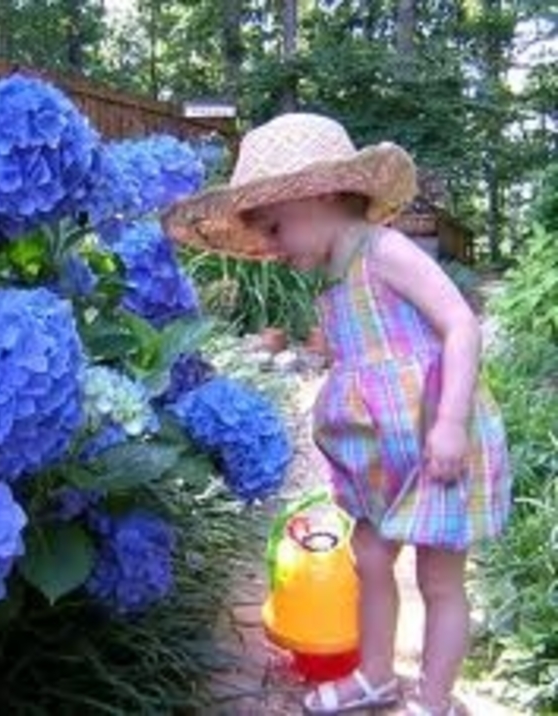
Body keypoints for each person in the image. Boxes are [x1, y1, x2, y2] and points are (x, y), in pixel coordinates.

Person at [163, 113, 512, 716]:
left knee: (439, 578)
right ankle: (376, 674)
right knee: (370, 558)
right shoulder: (331, 279)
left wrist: (452, 421)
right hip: (379, 454)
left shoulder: (386, 250)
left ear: (321, 193)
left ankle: (434, 699)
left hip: (437, 440)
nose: (272, 248)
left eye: (275, 228)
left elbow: (460, 324)